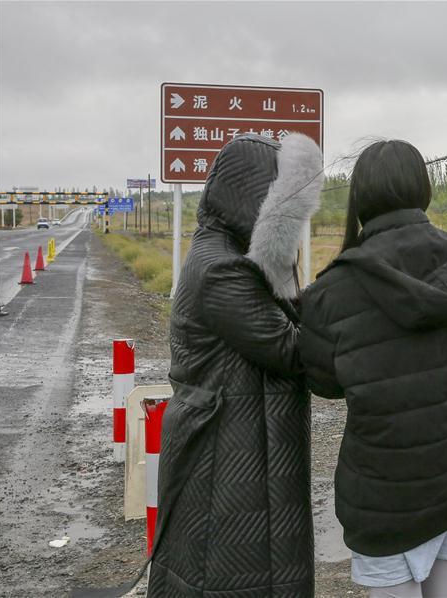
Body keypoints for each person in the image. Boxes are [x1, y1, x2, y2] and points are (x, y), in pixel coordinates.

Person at [298, 140, 447, 597]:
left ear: (360, 198)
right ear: (423, 191)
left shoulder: (334, 290)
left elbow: (325, 382)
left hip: (384, 496)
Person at [148, 133, 322, 597]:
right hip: (226, 453)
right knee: (220, 574)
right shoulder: (223, 269)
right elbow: (292, 350)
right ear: (249, 196)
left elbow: (284, 314)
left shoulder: (227, 254)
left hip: (235, 443)